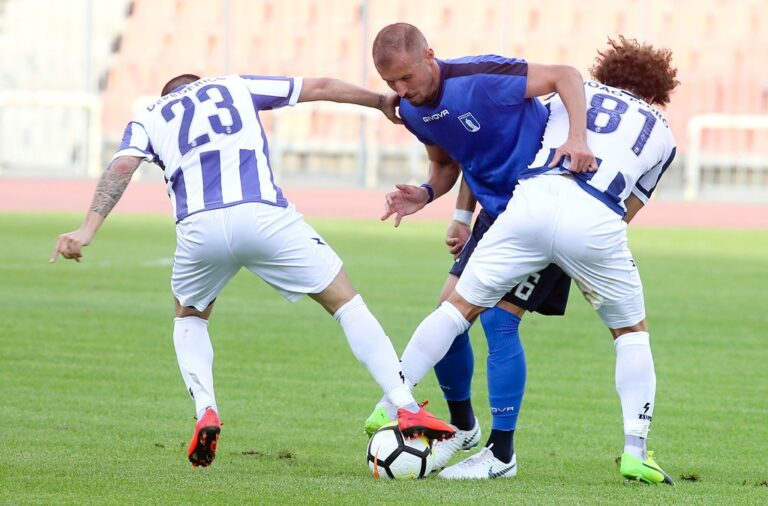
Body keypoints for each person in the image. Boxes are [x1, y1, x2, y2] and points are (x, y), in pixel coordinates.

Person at [50, 73, 456, 467]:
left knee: (189, 316)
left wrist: (87, 229)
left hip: (199, 227)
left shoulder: (149, 116)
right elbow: (319, 86)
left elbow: (122, 167)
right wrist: (379, 101)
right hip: (262, 215)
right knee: (344, 302)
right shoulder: (234, 85)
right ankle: (405, 406)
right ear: (200, 82)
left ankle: (206, 409)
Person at [394, 36, 680, 483]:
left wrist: (465, 214)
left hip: (526, 203)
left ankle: (497, 450)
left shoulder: (564, 97)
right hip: (575, 216)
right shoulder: (663, 134)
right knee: (627, 333)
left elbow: (493, 144)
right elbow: (627, 209)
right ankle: (468, 427)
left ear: (605, 71)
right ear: (658, 91)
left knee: (487, 317)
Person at [364, 21, 597, 472]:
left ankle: (502, 453)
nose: (401, 90)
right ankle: (463, 427)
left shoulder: (483, 77)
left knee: (498, 321)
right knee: (446, 318)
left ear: (429, 55)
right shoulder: (411, 111)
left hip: (545, 207)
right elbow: (448, 162)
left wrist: (577, 138)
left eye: (406, 77)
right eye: (390, 83)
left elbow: (566, 75)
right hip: (496, 217)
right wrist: (429, 195)